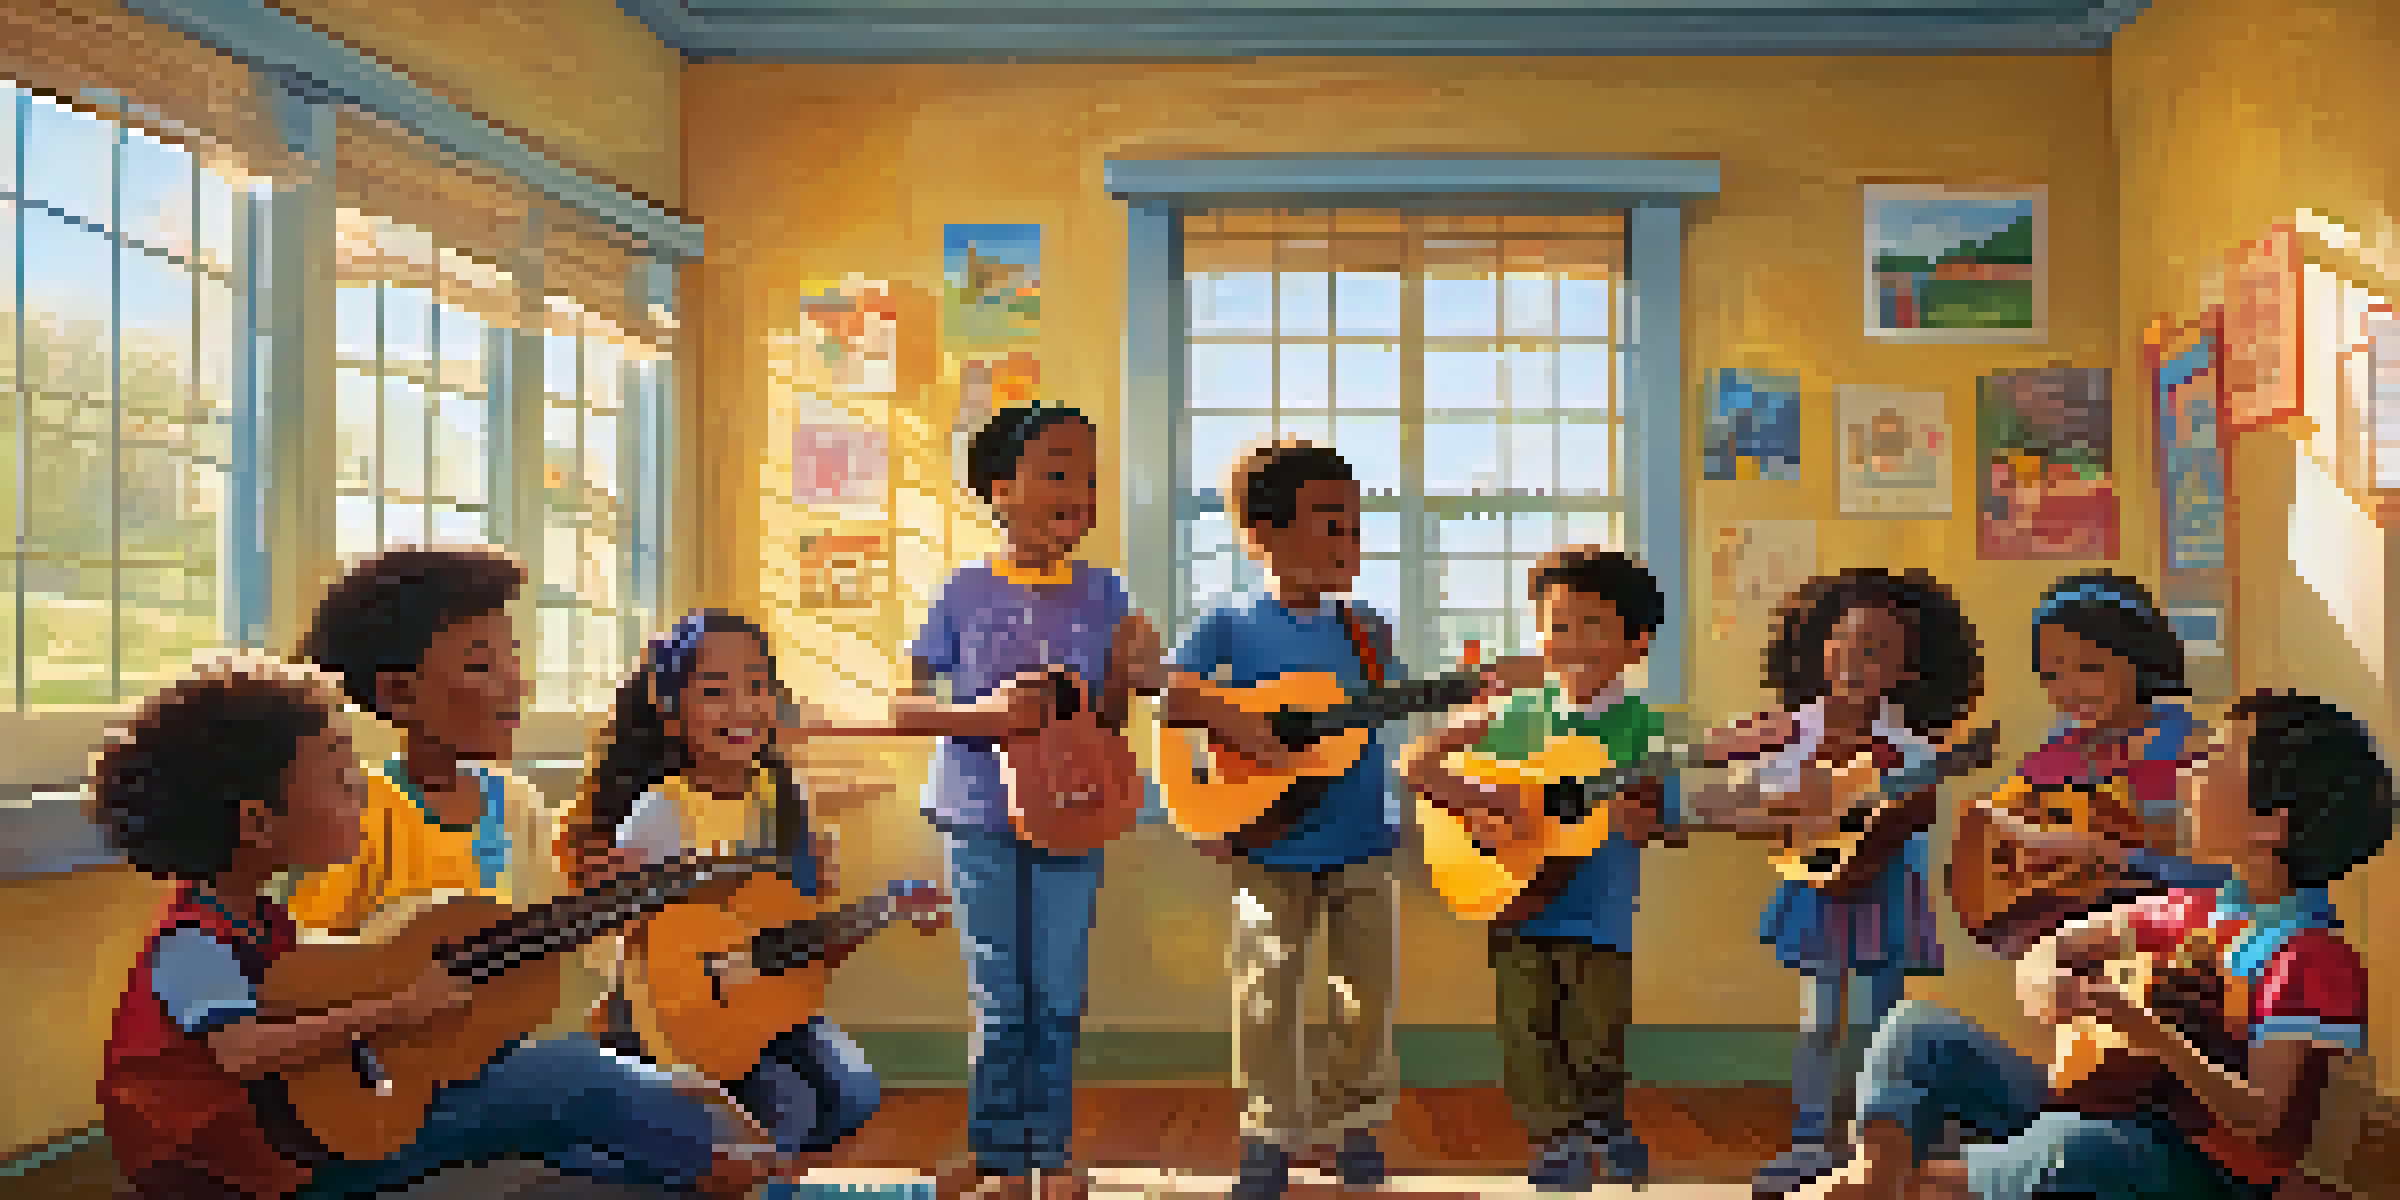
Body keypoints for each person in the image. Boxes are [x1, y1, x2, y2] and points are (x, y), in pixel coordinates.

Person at [92, 656, 794, 1199]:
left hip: (313, 1135)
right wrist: (398, 1008)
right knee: (573, 1079)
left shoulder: (261, 918)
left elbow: (313, 995)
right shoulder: (195, 937)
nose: (362, 789)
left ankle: (705, 1160)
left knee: (557, 1122)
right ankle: (729, 1169)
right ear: (255, 823)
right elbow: (239, 1051)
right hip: (256, 1169)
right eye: (340, 779)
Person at [1795, 688, 2393, 1200]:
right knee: (1914, 1028)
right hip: (2109, 1106)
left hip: (2202, 1171)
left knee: (2070, 1149)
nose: (2190, 772)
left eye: (2216, 760)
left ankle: (1919, 1184)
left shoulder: (2308, 955)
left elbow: (2263, 1120)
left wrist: (2146, 1030)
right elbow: (2065, 942)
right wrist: (2049, 982)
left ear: (2270, 826)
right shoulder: (2203, 907)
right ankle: (1875, 1174)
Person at [1160, 437, 1533, 1200]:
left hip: (1363, 837)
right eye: (1331, 523)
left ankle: (1351, 1123)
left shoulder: (1367, 626)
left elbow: (1393, 706)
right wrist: (1240, 744)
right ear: (1260, 534)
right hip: (1266, 841)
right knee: (1265, 993)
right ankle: (1270, 1131)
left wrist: (1467, 708)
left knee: (1365, 995)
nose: (1350, 541)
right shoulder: (1227, 624)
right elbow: (1170, 696)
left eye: (1357, 526)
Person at [894, 404, 1165, 1200]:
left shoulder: (1106, 592)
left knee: (1057, 993)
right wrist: (985, 717)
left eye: (1088, 476)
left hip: (1076, 813)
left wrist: (1126, 673)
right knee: (1000, 995)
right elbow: (906, 706)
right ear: (1001, 488)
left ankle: (1051, 1150)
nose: (1078, 492)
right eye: (1057, 473)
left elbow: (1111, 719)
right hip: (976, 815)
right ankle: (998, 1154)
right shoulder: (963, 591)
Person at [561, 609, 907, 1168]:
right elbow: (616, 948)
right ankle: (710, 1154)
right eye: (716, 691)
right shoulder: (662, 808)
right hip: (669, 1017)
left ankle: (713, 1130)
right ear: (673, 714)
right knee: (790, 1105)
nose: (742, 708)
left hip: (756, 1007)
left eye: (756, 687)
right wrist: (622, 904)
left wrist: (863, 916)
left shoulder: (782, 802)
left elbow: (792, 949)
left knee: (855, 1095)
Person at [1684, 568, 1985, 1197]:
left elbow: (1916, 812)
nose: (1853, 659)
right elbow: (1739, 797)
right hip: (1816, 889)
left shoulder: (1909, 746)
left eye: (1874, 649)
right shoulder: (1797, 729)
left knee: (1884, 1029)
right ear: (1819, 648)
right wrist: (1790, 805)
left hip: (1883, 898)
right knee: (1818, 1023)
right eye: (1842, 643)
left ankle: (1874, 1147)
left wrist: (1885, 797)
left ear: (1906, 670)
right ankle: (1808, 1140)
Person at [1401, 548, 1677, 1191]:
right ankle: (1555, 1141)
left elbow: (1653, 818)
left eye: (1591, 626)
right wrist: (1485, 797)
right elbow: (1418, 769)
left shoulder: (1642, 727)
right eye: (1556, 626)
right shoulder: (1516, 715)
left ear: (1636, 644)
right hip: (1511, 897)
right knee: (1525, 1030)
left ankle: (1603, 1123)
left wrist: (1645, 813)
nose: (1570, 642)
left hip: (1598, 909)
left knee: (1593, 1031)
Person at [284, 544, 604, 1040]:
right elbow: (306, 969)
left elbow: (562, 949)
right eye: (481, 668)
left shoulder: (516, 805)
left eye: (513, 658)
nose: (514, 685)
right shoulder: (361, 809)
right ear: (398, 695)